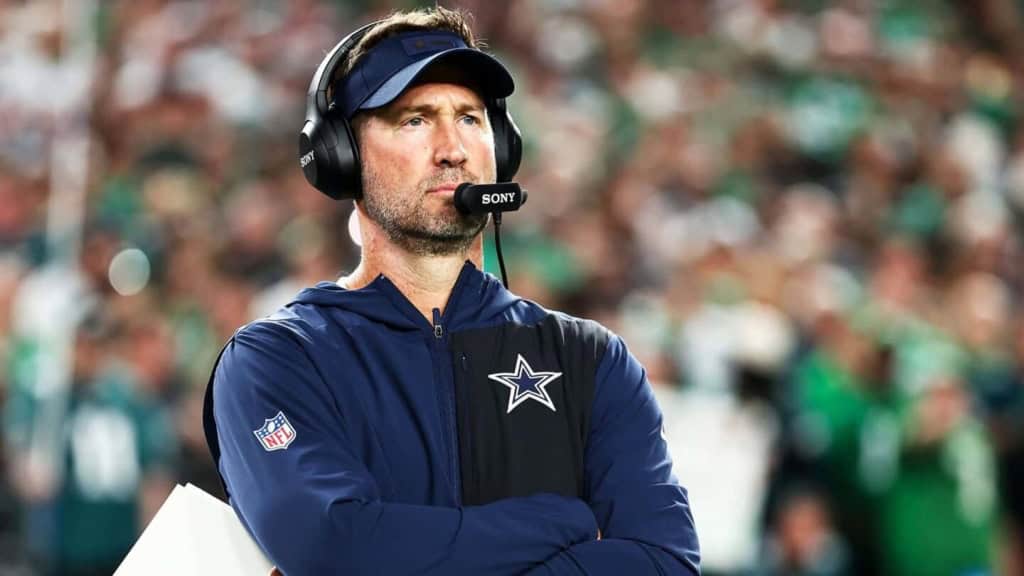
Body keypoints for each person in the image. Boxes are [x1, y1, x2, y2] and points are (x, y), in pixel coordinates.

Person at [202, 7, 700, 575]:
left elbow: (663, 564)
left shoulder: (591, 360)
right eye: (415, 120)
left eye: (470, 118)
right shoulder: (277, 360)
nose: (452, 149)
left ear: (503, 145)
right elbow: (332, 544)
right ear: (340, 157)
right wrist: (565, 523)